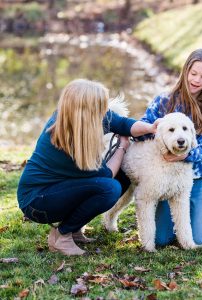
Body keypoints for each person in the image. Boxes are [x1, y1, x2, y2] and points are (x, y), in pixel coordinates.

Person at [17, 78, 157, 256]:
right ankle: (62, 236)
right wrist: (122, 146)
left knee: (121, 176)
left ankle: (73, 229)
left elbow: (124, 124)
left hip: (59, 188)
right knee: (109, 188)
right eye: (100, 106)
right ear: (85, 110)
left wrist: (151, 127)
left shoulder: (83, 118)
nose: (104, 111)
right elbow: (106, 175)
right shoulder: (63, 142)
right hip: (37, 201)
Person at [139, 49, 202, 246]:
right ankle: (182, 217)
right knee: (161, 239)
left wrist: (182, 155)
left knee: (200, 238)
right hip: (165, 175)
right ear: (186, 70)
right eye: (193, 73)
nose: (196, 80)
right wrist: (148, 128)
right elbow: (144, 127)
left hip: (197, 175)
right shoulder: (163, 101)